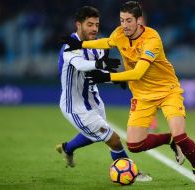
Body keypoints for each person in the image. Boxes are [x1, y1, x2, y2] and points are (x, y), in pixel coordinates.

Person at [60, 1, 195, 184]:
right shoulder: (120, 33)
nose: (124, 25)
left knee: (180, 134)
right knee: (134, 145)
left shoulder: (152, 40)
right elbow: (107, 42)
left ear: (139, 21)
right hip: (142, 96)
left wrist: (108, 78)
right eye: (122, 20)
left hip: (167, 91)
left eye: (129, 20)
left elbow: (138, 73)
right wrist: (80, 44)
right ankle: (169, 140)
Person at [56, 5, 152, 182]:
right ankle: (131, 172)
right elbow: (81, 65)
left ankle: (67, 148)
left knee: (94, 135)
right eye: (89, 24)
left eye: (96, 25)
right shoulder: (70, 46)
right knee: (113, 139)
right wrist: (100, 65)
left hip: (94, 100)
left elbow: (97, 75)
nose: (94, 29)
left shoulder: (97, 46)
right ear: (79, 25)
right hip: (76, 106)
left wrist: (116, 79)